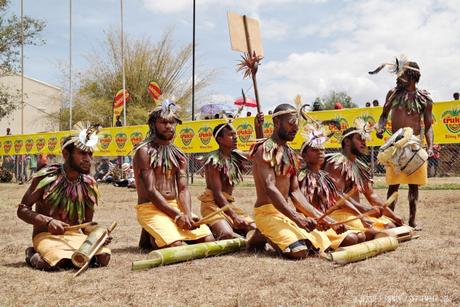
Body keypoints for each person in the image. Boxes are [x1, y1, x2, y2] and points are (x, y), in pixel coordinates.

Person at [249, 104, 350, 260]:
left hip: (284, 212)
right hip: (266, 212)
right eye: (291, 123)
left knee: (322, 246)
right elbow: (270, 188)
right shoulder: (264, 150)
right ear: (276, 122)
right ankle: (262, 232)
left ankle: (261, 234)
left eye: (297, 123)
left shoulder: (290, 153)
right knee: (299, 252)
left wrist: (327, 220)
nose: (295, 127)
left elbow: (296, 193)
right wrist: (297, 219)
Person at [17, 125, 111, 270]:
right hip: (46, 236)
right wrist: (48, 222)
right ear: (66, 154)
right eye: (82, 153)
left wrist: (98, 234)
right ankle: (32, 253)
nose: (88, 159)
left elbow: (86, 225)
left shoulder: (89, 184)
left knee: (103, 258)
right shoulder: (46, 177)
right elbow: (22, 210)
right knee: (56, 262)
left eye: (90, 154)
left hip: (74, 237)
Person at [134, 99, 214, 251]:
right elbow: (151, 191)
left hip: (175, 207)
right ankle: (158, 236)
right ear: (153, 124)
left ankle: (152, 237)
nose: (169, 126)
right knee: (177, 246)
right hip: (150, 208)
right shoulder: (144, 151)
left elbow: (183, 189)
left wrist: (187, 214)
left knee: (208, 240)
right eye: (163, 122)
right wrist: (177, 216)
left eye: (172, 122)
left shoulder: (178, 154)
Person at [372, 56, 433, 229]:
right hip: (395, 145)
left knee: (414, 186)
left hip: (414, 145)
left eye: (401, 75)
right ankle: (390, 220)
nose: (397, 78)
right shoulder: (392, 94)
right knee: (393, 185)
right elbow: (383, 116)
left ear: (413, 76)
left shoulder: (425, 99)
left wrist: (429, 147)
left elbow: (428, 126)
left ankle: (412, 221)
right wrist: (380, 127)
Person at [298, 122, 375, 240]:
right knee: (354, 238)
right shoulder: (301, 177)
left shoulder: (326, 177)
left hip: (328, 219)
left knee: (363, 235)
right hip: (312, 222)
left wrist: (360, 216)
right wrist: (325, 221)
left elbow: (338, 198)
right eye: (315, 150)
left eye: (322, 150)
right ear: (304, 155)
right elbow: (302, 206)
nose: (320, 153)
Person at [324, 122, 404, 230]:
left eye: (365, 140)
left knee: (391, 225)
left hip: (356, 212)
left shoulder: (360, 166)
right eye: (360, 139)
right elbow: (337, 196)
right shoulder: (336, 163)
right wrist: (364, 210)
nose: (364, 143)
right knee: (378, 230)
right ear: (347, 141)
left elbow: (371, 196)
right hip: (338, 213)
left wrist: (394, 216)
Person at [198, 110, 264, 240]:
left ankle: (231, 229)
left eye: (235, 134)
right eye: (230, 135)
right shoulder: (213, 161)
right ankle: (219, 228)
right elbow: (217, 195)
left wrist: (258, 127)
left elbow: (258, 154)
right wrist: (234, 216)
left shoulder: (235, 155)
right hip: (212, 205)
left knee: (259, 230)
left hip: (228, 205)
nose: (235, 137)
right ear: (220, 139)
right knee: (227, 234)